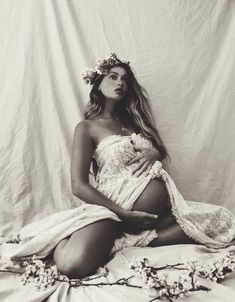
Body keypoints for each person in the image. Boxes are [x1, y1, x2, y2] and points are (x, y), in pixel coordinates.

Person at [52, 53, 235, 279]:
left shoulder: (133, 123)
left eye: (125, 79)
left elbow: (158, 149)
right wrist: (124, 215)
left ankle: (128, 242)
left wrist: (155, 152)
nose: (120, 83)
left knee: (221, 220)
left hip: (156, 213)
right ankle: (68, 236)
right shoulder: (87, 127)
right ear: (98, 83)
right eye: (113, 77)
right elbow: (78, 185)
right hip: (115, 208)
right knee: (73, 266)